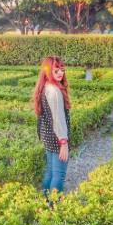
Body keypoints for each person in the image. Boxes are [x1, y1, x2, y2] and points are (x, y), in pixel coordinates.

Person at [34, 56, 71, 207]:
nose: (60, 73)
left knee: (50, 170)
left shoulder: (45, 87)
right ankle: (54, 206)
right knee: (59, 175)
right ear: (48, 71)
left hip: (48, 135)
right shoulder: (54, 90)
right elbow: (59, 119)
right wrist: (64, 142)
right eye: (56, 70)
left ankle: (46, 199)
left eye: (62, 70)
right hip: (57, 137)